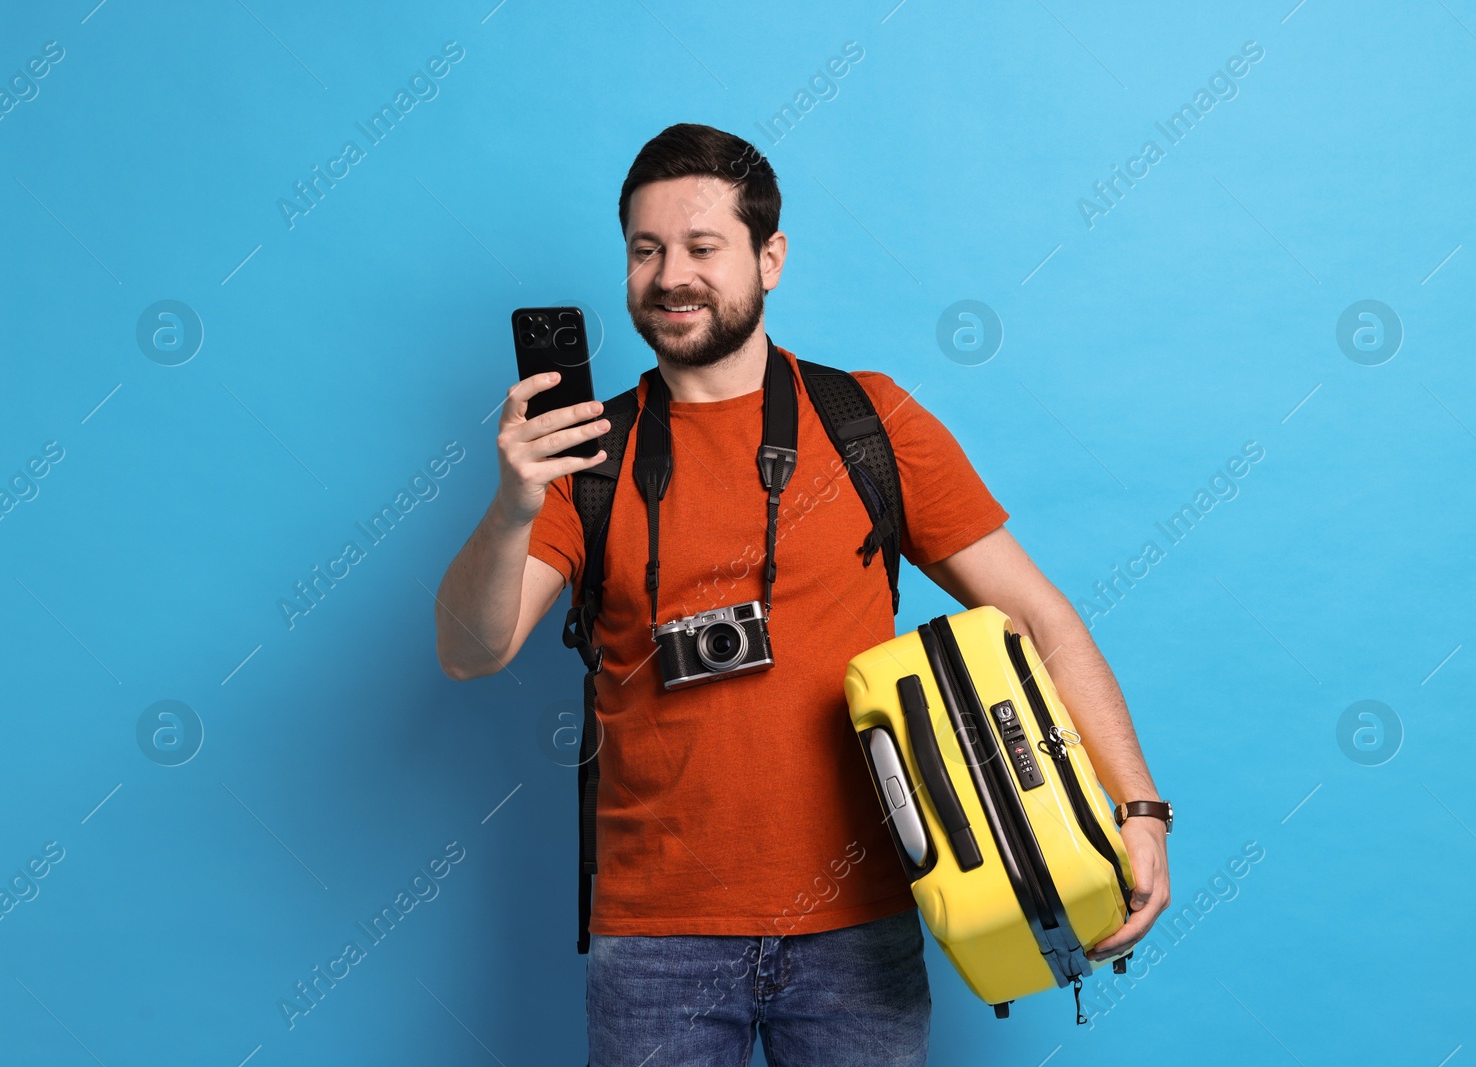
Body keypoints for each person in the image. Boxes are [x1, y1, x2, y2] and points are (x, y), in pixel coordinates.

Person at [434, 123, 1170, 1066]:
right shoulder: (588, 458)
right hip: (656, 938)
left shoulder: (868, 421)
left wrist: (1138, 808)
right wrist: (509, 507)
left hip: (863, 926)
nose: (671, 276)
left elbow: (1038, 617)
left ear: (769, 258)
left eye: (703, 247)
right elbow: (470, 648)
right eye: (646, 250)